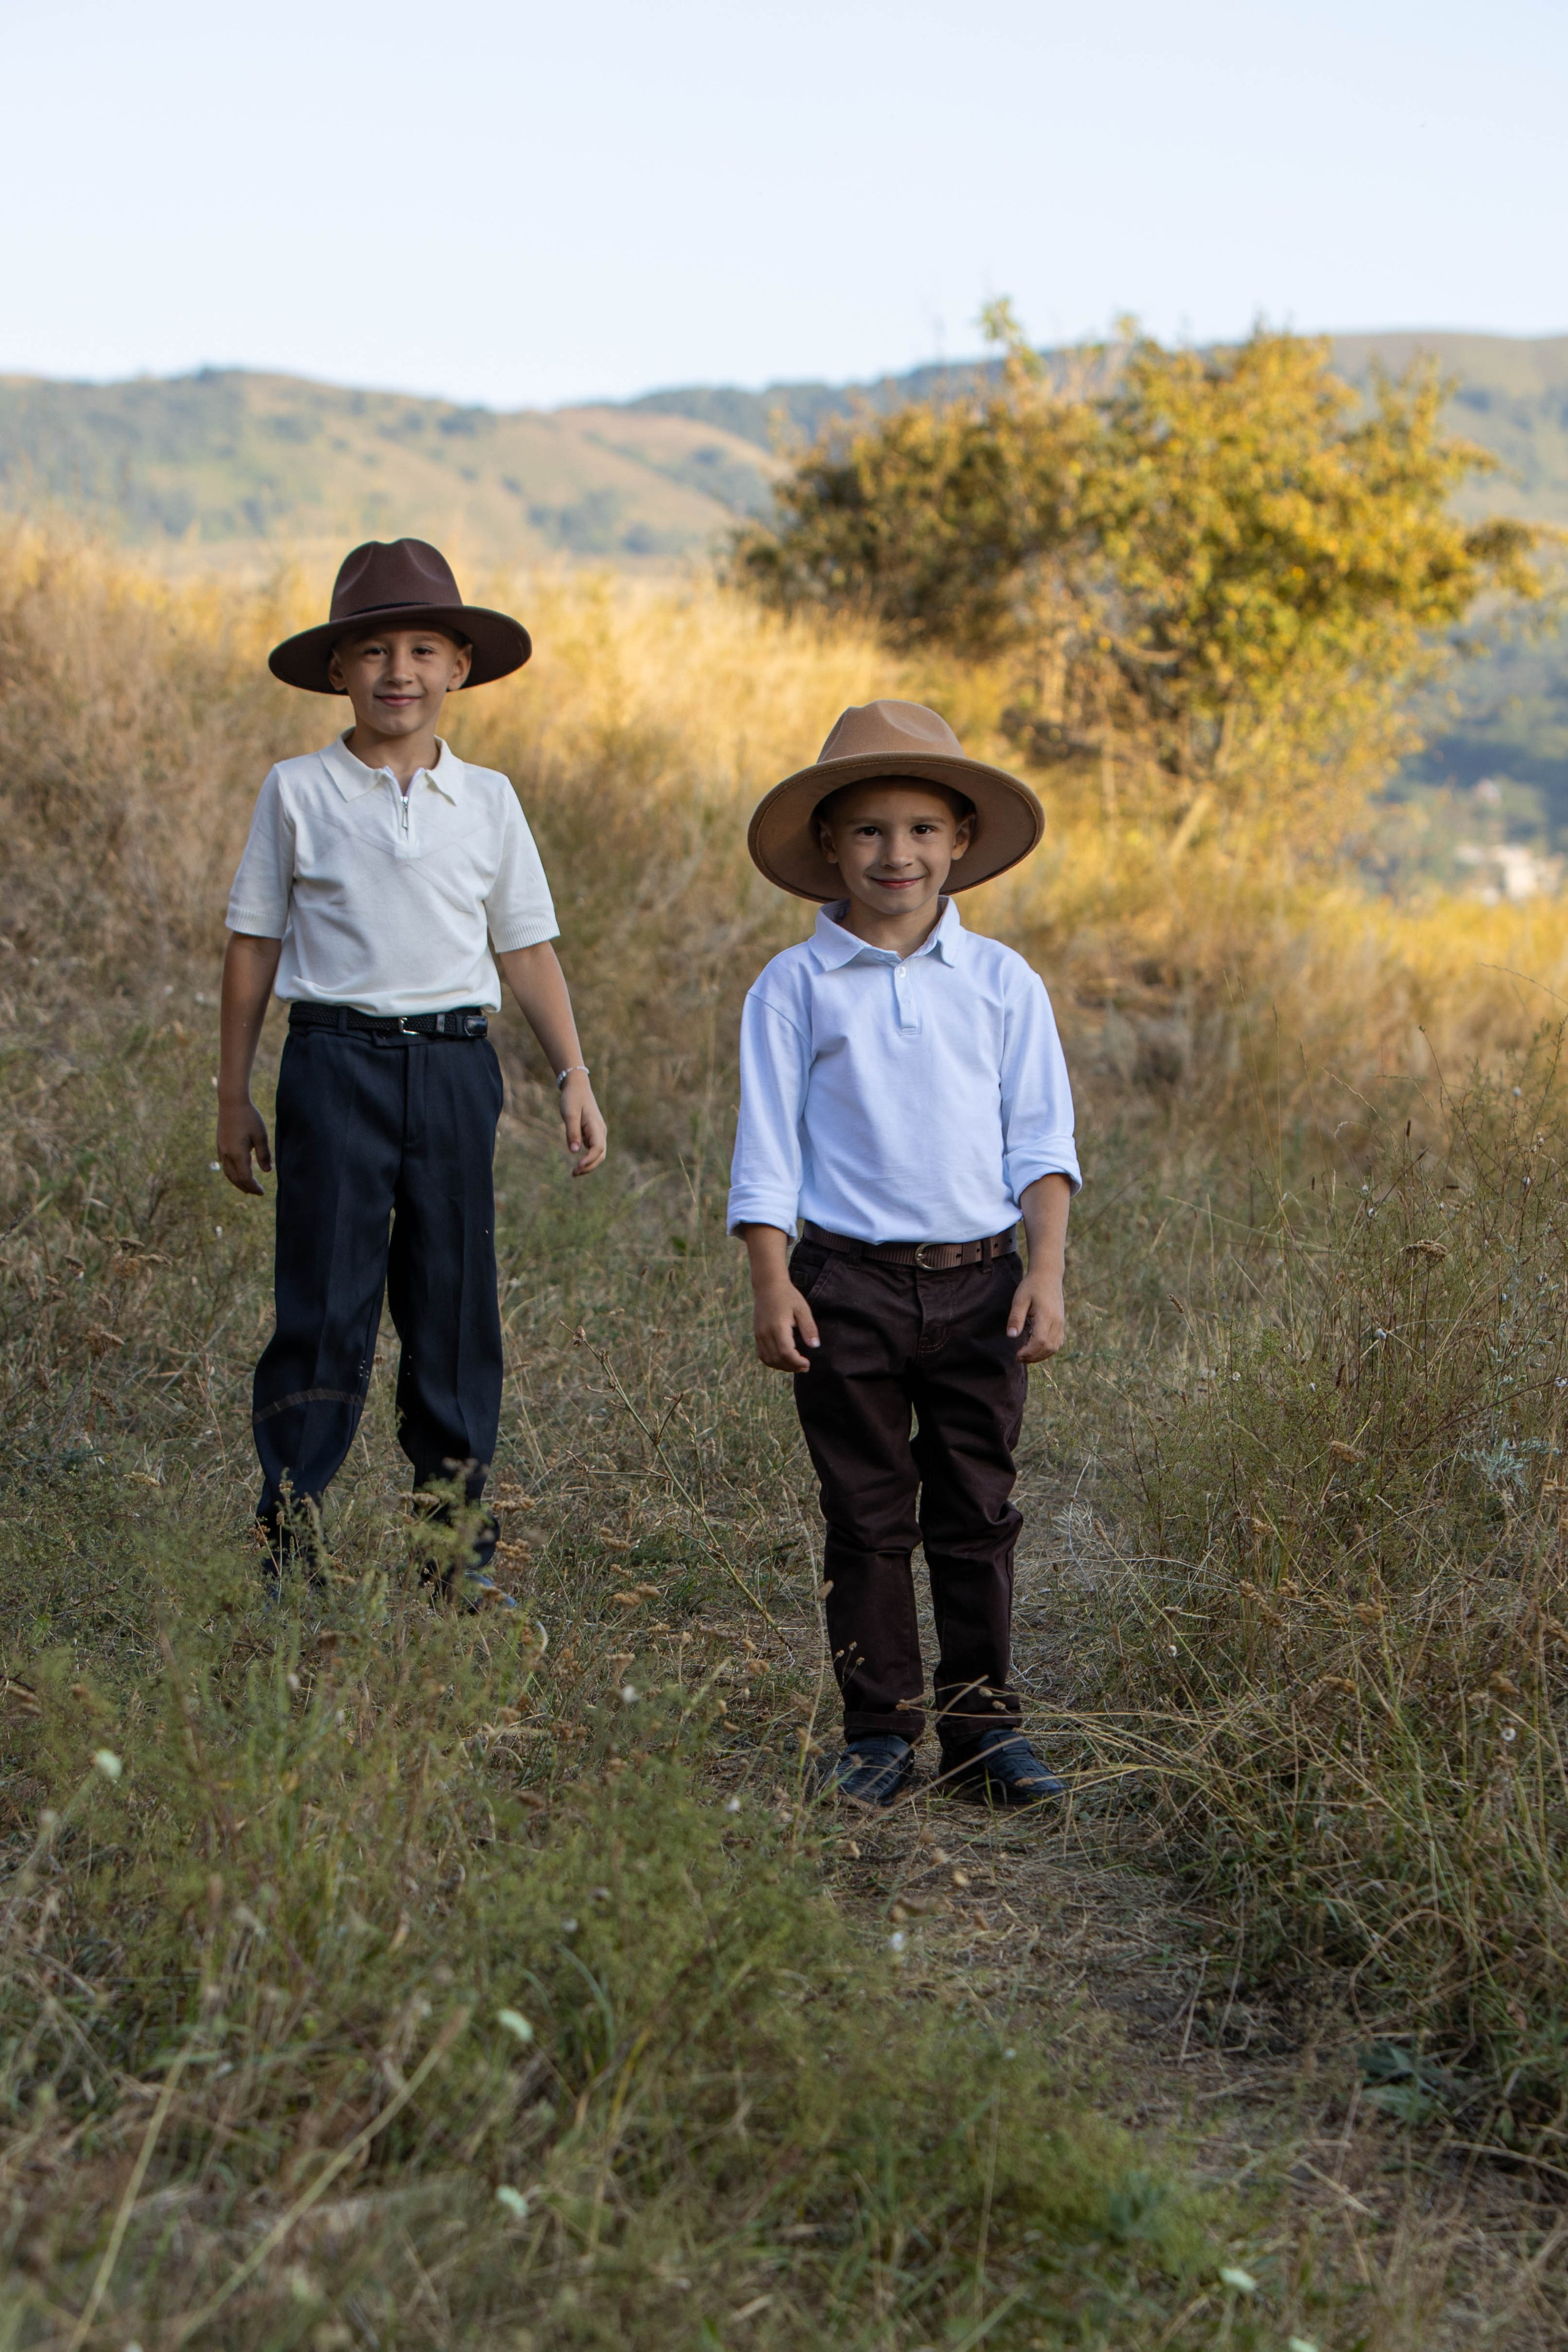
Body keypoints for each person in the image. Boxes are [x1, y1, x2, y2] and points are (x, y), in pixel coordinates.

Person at [217, 538, 606, 1602]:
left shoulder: (487, 800)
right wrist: (232, 1090)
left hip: (453, 1069)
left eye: (423, 649)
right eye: (375, 650)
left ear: (460, 668)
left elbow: (523, 944)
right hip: (333, 1063)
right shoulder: (298, 791)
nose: (399, 670)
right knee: (324, 1309)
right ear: (338, 669)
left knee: (453, 1309)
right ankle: (289, 1546)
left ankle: (454, 1558)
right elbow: (254, 943)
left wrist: (571, 1071)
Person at [728, 699, 1079, 1806]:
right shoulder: (793, 988)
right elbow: (767, 1150)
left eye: (923, 829)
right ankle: (879, 1733)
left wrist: (1046, 1268)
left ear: (961, 842)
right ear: (830, 845)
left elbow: (1042, 1141)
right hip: (846, 1286)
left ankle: (985, 1730)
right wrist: (773, 1278)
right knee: (868, 1515)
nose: (898, 854)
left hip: (980, 1285)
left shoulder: (1003, 983)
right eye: (871, 831)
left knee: (977, 1509)